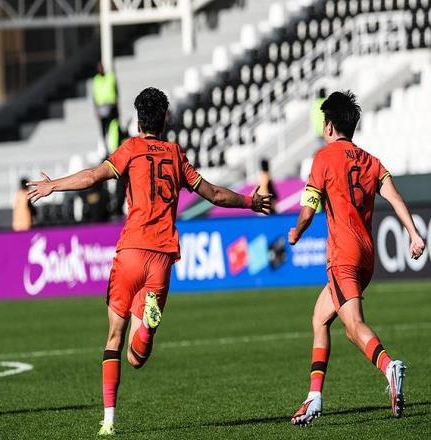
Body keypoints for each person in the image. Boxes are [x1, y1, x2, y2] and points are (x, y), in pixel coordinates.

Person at [27, 87, 272, 436]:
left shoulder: (130, 149)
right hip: (161, 258)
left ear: (138, 120)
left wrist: (54, 186)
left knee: (114, 339)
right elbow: (214, 194)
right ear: (165, 119)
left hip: (130, 251)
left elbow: (93, 177)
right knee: (137, 356)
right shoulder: (175, 154)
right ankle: (146, 328)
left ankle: (109, 421)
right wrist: (250, 202)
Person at [288, 91, 426, 426]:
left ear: (330, 125)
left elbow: (308, 208)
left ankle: (389, 367)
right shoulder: (370, 160)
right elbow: (395, 198)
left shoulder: (323, 158)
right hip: (366, 256)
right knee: (321, 319)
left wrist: (297, 232)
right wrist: (414, 233)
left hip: (343, 256)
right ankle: (314, 397)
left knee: (353, 325)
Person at [93, 62, 119, 153]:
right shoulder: (96, 80)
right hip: (102, 108)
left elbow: (116, 92)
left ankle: (114, 148)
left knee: (113, 128)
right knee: (104, 131)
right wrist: (96, 110)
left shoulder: (110, 77)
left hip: (111, 107)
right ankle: (106, 150)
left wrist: (116, 106)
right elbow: (94, 96)